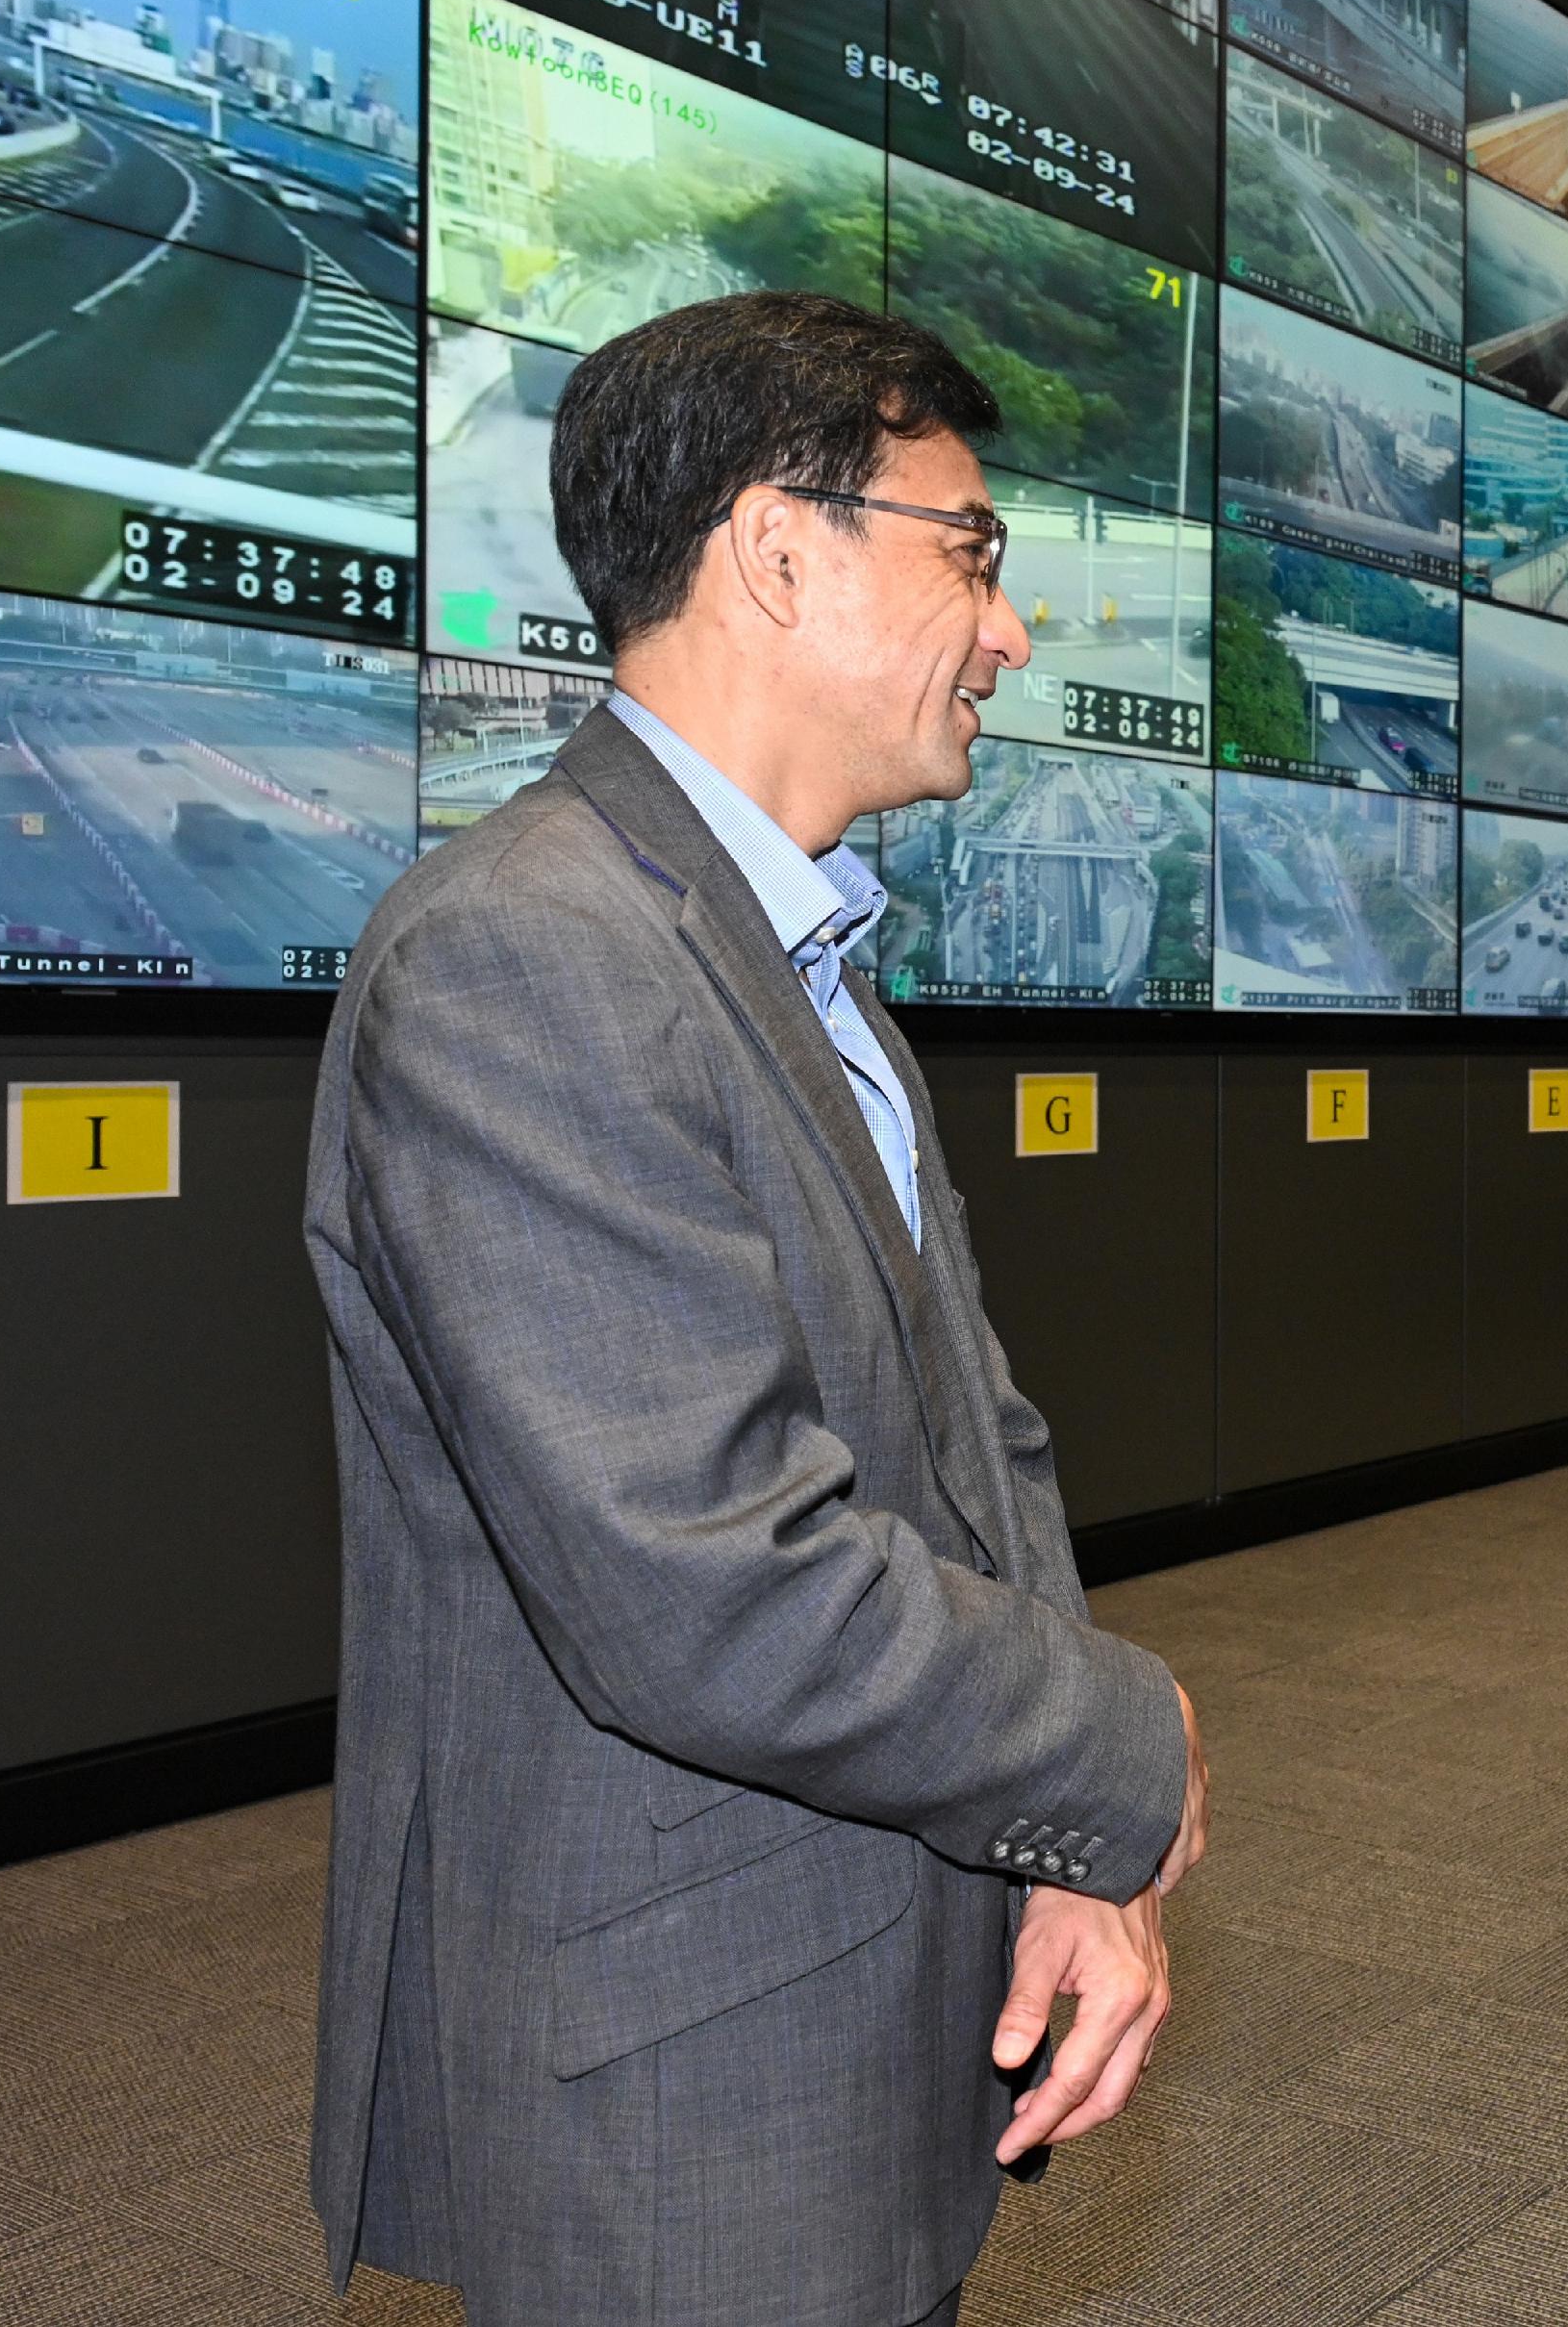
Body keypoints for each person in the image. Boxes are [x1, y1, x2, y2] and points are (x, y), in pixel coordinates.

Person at [302, 292, 1210, 2327]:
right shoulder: (520, 955)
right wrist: (1120, 1741)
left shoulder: (806, 965)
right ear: (777, 549)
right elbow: (702, 1582)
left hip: (868, 1979)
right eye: (970, 552)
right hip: (685, 2079)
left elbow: (982, 1450)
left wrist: (1063, 1844)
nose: (1011, 630)